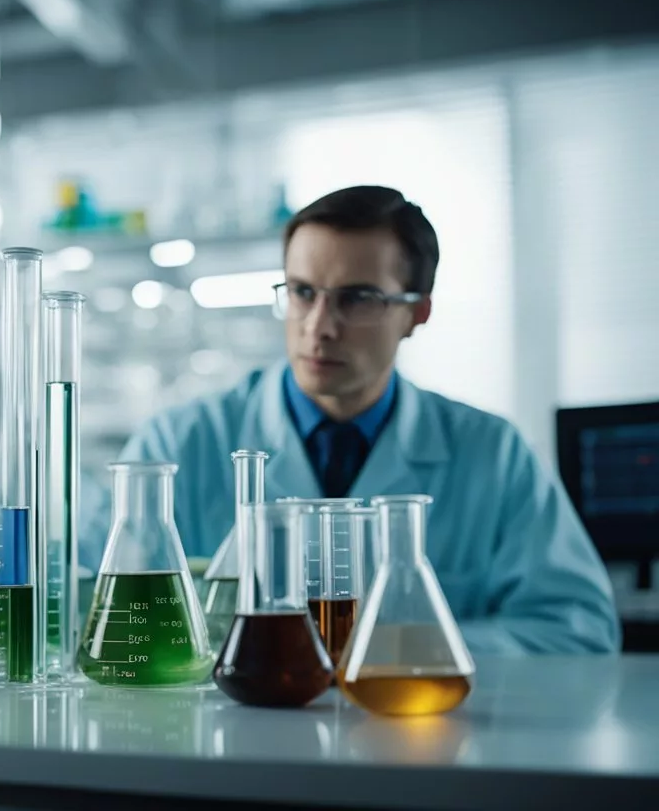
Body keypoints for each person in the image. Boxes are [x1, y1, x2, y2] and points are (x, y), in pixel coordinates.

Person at [80, 185, 619, 656]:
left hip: (419, 748)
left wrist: (392, 644)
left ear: (416, 313)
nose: (320, 326)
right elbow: (85, 605)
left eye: (357, 299)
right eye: (302, 292)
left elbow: (579, 629)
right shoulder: (179, 444)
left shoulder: (494, 455)